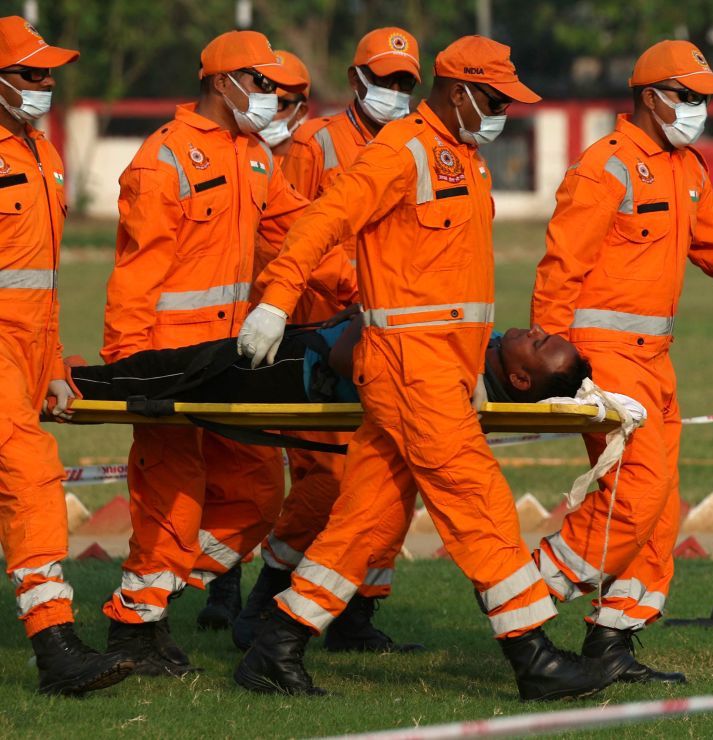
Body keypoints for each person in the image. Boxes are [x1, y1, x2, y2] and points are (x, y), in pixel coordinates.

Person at [234, 36, 614, 701]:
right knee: (480, 503)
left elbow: (454, 287)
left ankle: (278, 642)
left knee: (368, 518)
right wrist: (277, 296)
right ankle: (534, 658)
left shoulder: (466, 160)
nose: (502, 113)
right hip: (408, 369)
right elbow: (327, 216)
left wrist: (470, 366)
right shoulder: (400, 150)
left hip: (439, 370)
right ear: (459, 90)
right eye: (494, 100)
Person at [530, 40, 713, 684]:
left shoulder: (685, 169)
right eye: (688, 97)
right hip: (601, 360)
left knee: (660, 508)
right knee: (633, 497)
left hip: (654, 363)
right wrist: (550, 361)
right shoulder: (604, 167)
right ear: (649, 96)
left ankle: (611, 642)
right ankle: (523, 599)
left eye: (705, 99)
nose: (699, 110)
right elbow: (561, 268)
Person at [99, 29, 309, 676]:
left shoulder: (253, 157)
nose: (273, 97)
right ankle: (136, 626)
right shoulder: (164, 159)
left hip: (226, 361)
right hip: (165, 362)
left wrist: (360, 266)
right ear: (224, 83)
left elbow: (296, 229)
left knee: (257, 494)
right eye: (263, 83)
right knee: (176, 496)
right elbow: (136, 275)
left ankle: (148, 602)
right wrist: (128, 367)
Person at [233, 27, 425, 654]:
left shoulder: (416, 148)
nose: (395, 91)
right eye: (386, 78)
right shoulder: (314, 145)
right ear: (355, 79)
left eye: (405, 82)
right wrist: (343, 288)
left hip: (388, 335)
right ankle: (267, 597)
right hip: (318, 333)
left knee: (389, 477)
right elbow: (283, 234)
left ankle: (358, 610)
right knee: (326, 481)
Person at [0, 15, 135, 696]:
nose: (45, 84)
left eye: (49, 72)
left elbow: (41, 282)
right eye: (30, 73)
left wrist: (52, 367)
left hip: (26, 350)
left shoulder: (44, 155)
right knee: (30, 477)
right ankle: (56, 649)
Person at [198, 46, 315, 635]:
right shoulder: (225, 155)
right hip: (226, 336)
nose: (277, 107)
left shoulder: (288, 157)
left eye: (289, 100)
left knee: (274, 480)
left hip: (292, 334)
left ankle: (235, 590)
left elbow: (312, 236)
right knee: (234, 474)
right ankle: (218, 589)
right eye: (269, 91)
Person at [69, 320, 588, 407]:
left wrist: (373, 310)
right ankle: (77, 379)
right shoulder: (490, 347)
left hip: (299, 368)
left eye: (541, 345)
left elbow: (349, 359)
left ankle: (74, 386)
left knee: (176, 374)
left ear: (519, 378)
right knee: (177, 369)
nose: (535, 330)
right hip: (310, 344)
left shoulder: (461, 377)